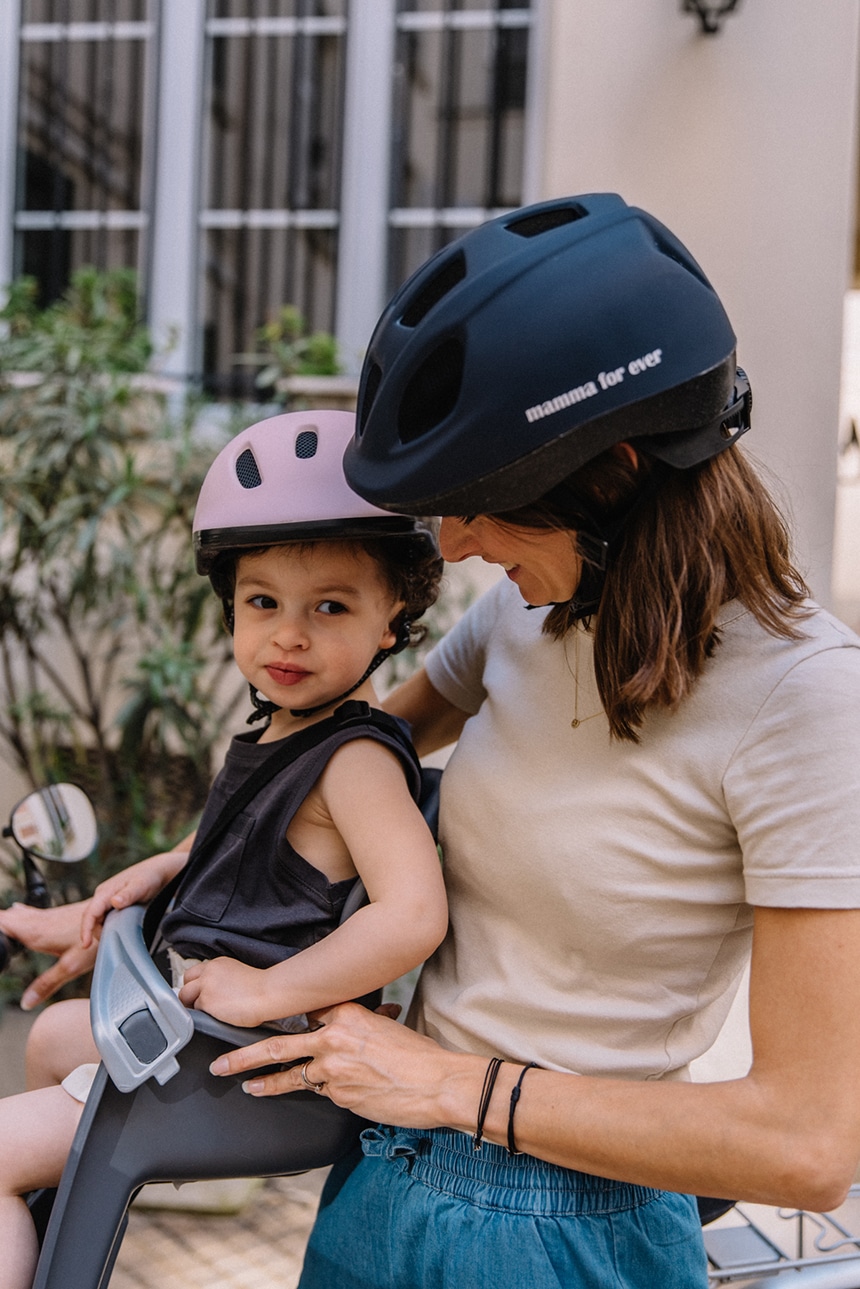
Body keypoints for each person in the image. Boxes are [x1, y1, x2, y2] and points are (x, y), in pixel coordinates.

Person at [197, 195, 860, 1289]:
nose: (450, 543)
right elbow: (318, 772)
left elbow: (806, 1141)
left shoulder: (800, 698)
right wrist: (170, 875)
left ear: (619, 474)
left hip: (561, 1229)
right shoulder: (531, 605)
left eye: (481, 504)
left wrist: (452, 1084)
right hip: (385, 1174)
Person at [0, 409, 447, 1289]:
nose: (289, 632)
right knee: (52, 1038)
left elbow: (415, 914)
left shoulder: (355, 758)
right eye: (263, 602)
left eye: (331, 606)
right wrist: (169, 864)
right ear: (232, 605)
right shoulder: (283, 732)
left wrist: (270, 987)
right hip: (193, 1035)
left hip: (238, 1062)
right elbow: (256, 842)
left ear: (392, 619)